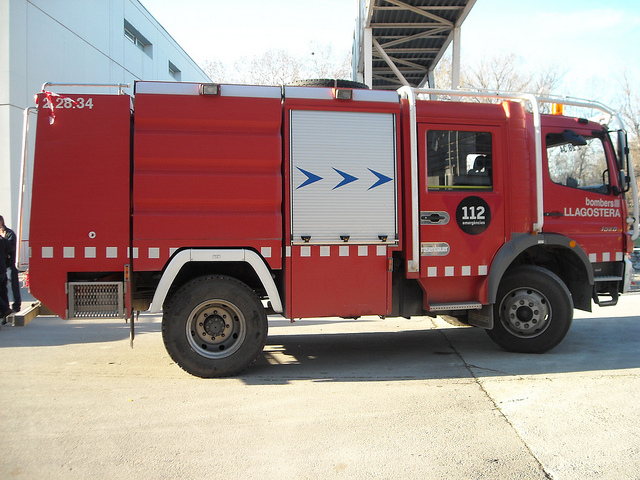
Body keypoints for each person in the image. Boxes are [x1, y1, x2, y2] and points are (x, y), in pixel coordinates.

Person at [0, 215, 20, 318]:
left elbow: (11, 248)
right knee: (3, 289)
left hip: (10, 264)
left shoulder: (9, 234)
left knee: (13, 285)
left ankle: (12, 307)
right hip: (4, 265)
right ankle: (5, 309)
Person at [0, 232, 11, 322]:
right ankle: (5, 312)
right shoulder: (4, 240)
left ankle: (4, 309)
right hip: (3, 269)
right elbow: (9, 253)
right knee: (3, 292)